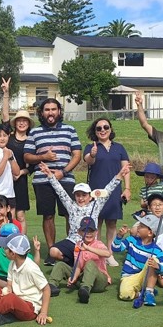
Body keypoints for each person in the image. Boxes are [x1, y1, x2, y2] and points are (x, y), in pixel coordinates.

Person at [24, 98, 82, 265]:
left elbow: (77, 155)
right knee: (48, 215)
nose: (50, 113)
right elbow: (27, 156)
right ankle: (51, 251)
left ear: (59, 111)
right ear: (42, 113)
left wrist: (62, 172)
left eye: (53, 109)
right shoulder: (35, 132)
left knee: (70, 215)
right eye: (47, 109)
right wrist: (43, 157)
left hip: (66, 179)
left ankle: (71, 249)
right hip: (43, 180)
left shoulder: (69, 130)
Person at [39, 162, 129, 269]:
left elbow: (108, 189)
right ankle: (73, 263)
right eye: (78, 195)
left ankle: (83, 264)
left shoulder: (96, 205)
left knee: (93, 258)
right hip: (73, 241)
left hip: (90, 243)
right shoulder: (71, 205)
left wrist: (120, 175)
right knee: (53, 251)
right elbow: (60, 191)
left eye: (84, 195)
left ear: (90, 196)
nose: (80, 198)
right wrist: (49, 174)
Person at [83, 117, 131, 255]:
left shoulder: (119, 148)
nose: (102, 130)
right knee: (96, 223)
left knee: (112, 223)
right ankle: (96, 252)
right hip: (96, 190)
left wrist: (127, 189)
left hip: (115, 191)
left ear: (110, 129)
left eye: (105, 127)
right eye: (99, 128)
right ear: (95, 131)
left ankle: (109, 253)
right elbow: (89, 161)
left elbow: (126, 168)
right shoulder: (91, 147)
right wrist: (92, 154)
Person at [47, 217, 111, 304]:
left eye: (91, 231)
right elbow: (78, 266)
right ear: (79, 232)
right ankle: (51, 285)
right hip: (83, 277)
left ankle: (85, 289)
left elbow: (107, 253)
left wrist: (88, 248)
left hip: (99, 282)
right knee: (61, 264)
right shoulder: (78, 245)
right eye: (85, 231)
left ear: (96, 232)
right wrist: (74, 277)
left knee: (90, 263)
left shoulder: (98, 244)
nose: (88, 234)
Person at [112, 214, 163, 306]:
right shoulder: (131, 240)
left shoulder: (157, 251)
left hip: (144, 277)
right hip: (128, 277)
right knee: (125, 295)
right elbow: (116, 248)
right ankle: (141, 294)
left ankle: (149, 291)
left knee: (154, 260)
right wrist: (119, 236)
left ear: (150, 233)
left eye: (141, 226)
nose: (138, 227)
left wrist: (157, 266)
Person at [0, 77, 33, 234]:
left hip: (21, 181)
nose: (21, 123)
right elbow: (5, 115)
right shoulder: (9, 136)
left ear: (28, 124)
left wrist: (21, 172)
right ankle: (8, 244)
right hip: (6, 179)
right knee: (8, 214)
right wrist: (6, 93)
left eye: (24, 121)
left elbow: (32, 166)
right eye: (19, 120)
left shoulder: (32, 141)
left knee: (20, 215)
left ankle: (22, 242)